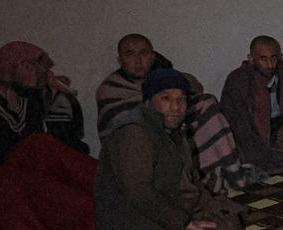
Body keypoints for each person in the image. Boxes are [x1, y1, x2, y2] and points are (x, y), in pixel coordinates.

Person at [95, 69, 248, 230]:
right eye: (166, 98)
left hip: (167, 206)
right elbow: (138, 192)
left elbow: (189, 180)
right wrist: (183, 222)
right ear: (149, 100)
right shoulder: (134, 132)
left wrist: (211, 207)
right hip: (135, 223)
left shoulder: (173, 129)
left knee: (230, 217)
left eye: (181, 99)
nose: (175, 107)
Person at [97, 33, 260, 192]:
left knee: (205, 103)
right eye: (130, 54)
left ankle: (229, 170)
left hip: (169, 128)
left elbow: (194, 87)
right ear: (120, 60)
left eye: (143, 53)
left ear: (153, 56)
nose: (138, 60)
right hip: (137, 147)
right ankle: (186, 182)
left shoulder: (161, 76)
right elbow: (121, 126)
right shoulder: (110, 89)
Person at [220, 36, 283, 174]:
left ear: (280, 56)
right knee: (244, 150)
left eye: (274, 58)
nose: (270, 64)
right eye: (263, 59)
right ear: (251, 58)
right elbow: (239, 124)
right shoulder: (238, 81)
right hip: (254, 133)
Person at [0, 41, 88, 158]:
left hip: (58, 162)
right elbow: (27, 138)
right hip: (21, 164)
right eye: (31, 65)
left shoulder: (55, 90)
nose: (43, 70)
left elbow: (69, 137)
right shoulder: (0, 95)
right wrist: (31, 91)